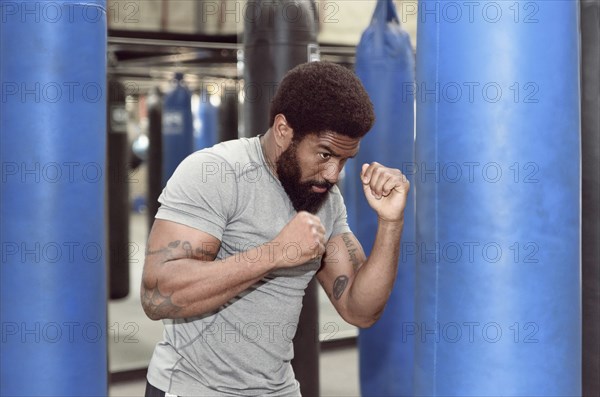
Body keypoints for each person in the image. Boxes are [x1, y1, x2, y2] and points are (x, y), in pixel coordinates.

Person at [141, 61, 410, 397]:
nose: (332, 174)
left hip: (278, 388)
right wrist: (273, 254)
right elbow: (156, 296)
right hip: (193, 388)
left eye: (343, 161)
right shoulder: (216, 173)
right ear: (283, 129)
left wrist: (391, 222)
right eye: (325, 154)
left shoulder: (325, 198)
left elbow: (360, 310)